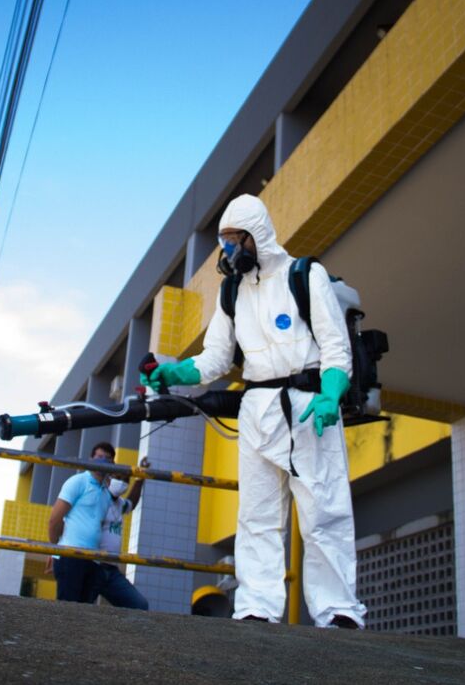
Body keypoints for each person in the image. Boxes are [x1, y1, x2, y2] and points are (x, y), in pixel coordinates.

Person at [140, 194, 366, 629]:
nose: (226, 251)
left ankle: (338, 610)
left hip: (307, 406)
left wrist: (331, 393)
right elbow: (215, 359)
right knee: (257, 517)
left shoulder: (305, 274)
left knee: (324, 512)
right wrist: (170, 374)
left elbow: (335, 345)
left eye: (232, 240)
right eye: (222, 242)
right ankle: (257, 607)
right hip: (257, 409)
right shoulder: (232, 292)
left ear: (255, 235)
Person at [47, 442, 147, 609]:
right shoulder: (78, 481)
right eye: (99, 457)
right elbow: (55, 520)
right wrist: (53, 550)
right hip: (71, 556)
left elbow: (128, 503)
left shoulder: (105, 495)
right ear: (90, 459)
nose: (103, 461)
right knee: (66, 612)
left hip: (92, 562)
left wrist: (139, 479)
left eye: (107, 459)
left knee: (83, 615)